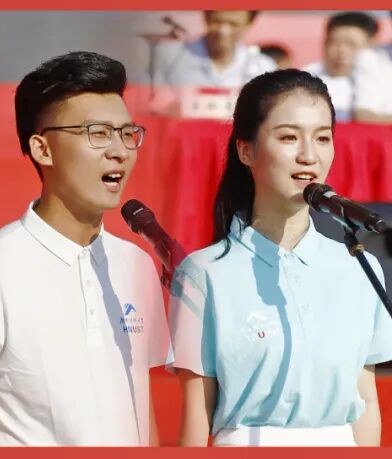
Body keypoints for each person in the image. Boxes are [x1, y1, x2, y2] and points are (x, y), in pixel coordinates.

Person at [0, 51, 171, 446]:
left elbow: (141, 409)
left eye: (127, 133)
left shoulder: (137, 266)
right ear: (42, 149)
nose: (119, 150)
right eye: (99, 133)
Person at [170, 69, 392, 447]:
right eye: (288, 137)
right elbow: (196, 414)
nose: (309, 155)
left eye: (322, 137)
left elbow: (366, 402)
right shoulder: (204, 273)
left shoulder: (360, 266)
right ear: (246, 150)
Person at [153, 11, 277, 88]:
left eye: (233, 24)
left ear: (248, 24)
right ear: (206, 17)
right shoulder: (170, 58)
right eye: (217, 22)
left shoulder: (263, 68)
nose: (223, 31)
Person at [304, 12, 380, 122]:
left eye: (351, 44)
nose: (341, 51)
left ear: (372, 45)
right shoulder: (307, 78)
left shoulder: (381, 82)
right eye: (334, 43)